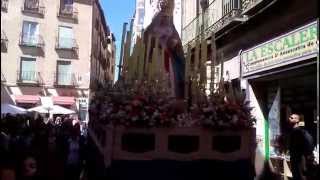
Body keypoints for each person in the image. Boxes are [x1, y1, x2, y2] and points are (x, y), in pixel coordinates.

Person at [288, 113, 315, 180]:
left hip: (298, 161)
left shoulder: (297, 132)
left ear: (297, 120)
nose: (289, 119)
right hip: (297, 161)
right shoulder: (298, 132)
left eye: (291, 118)